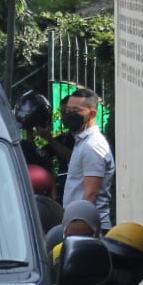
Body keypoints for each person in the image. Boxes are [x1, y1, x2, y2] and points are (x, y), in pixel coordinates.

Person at [54, 88, 114, 233]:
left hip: (88, 228)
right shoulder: (82, 142)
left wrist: (82, 229)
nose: (70, 114)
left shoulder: (92, 146)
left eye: (76, 110)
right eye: (68, 110)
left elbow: (91, 195)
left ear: (92, 113)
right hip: (80, 225)